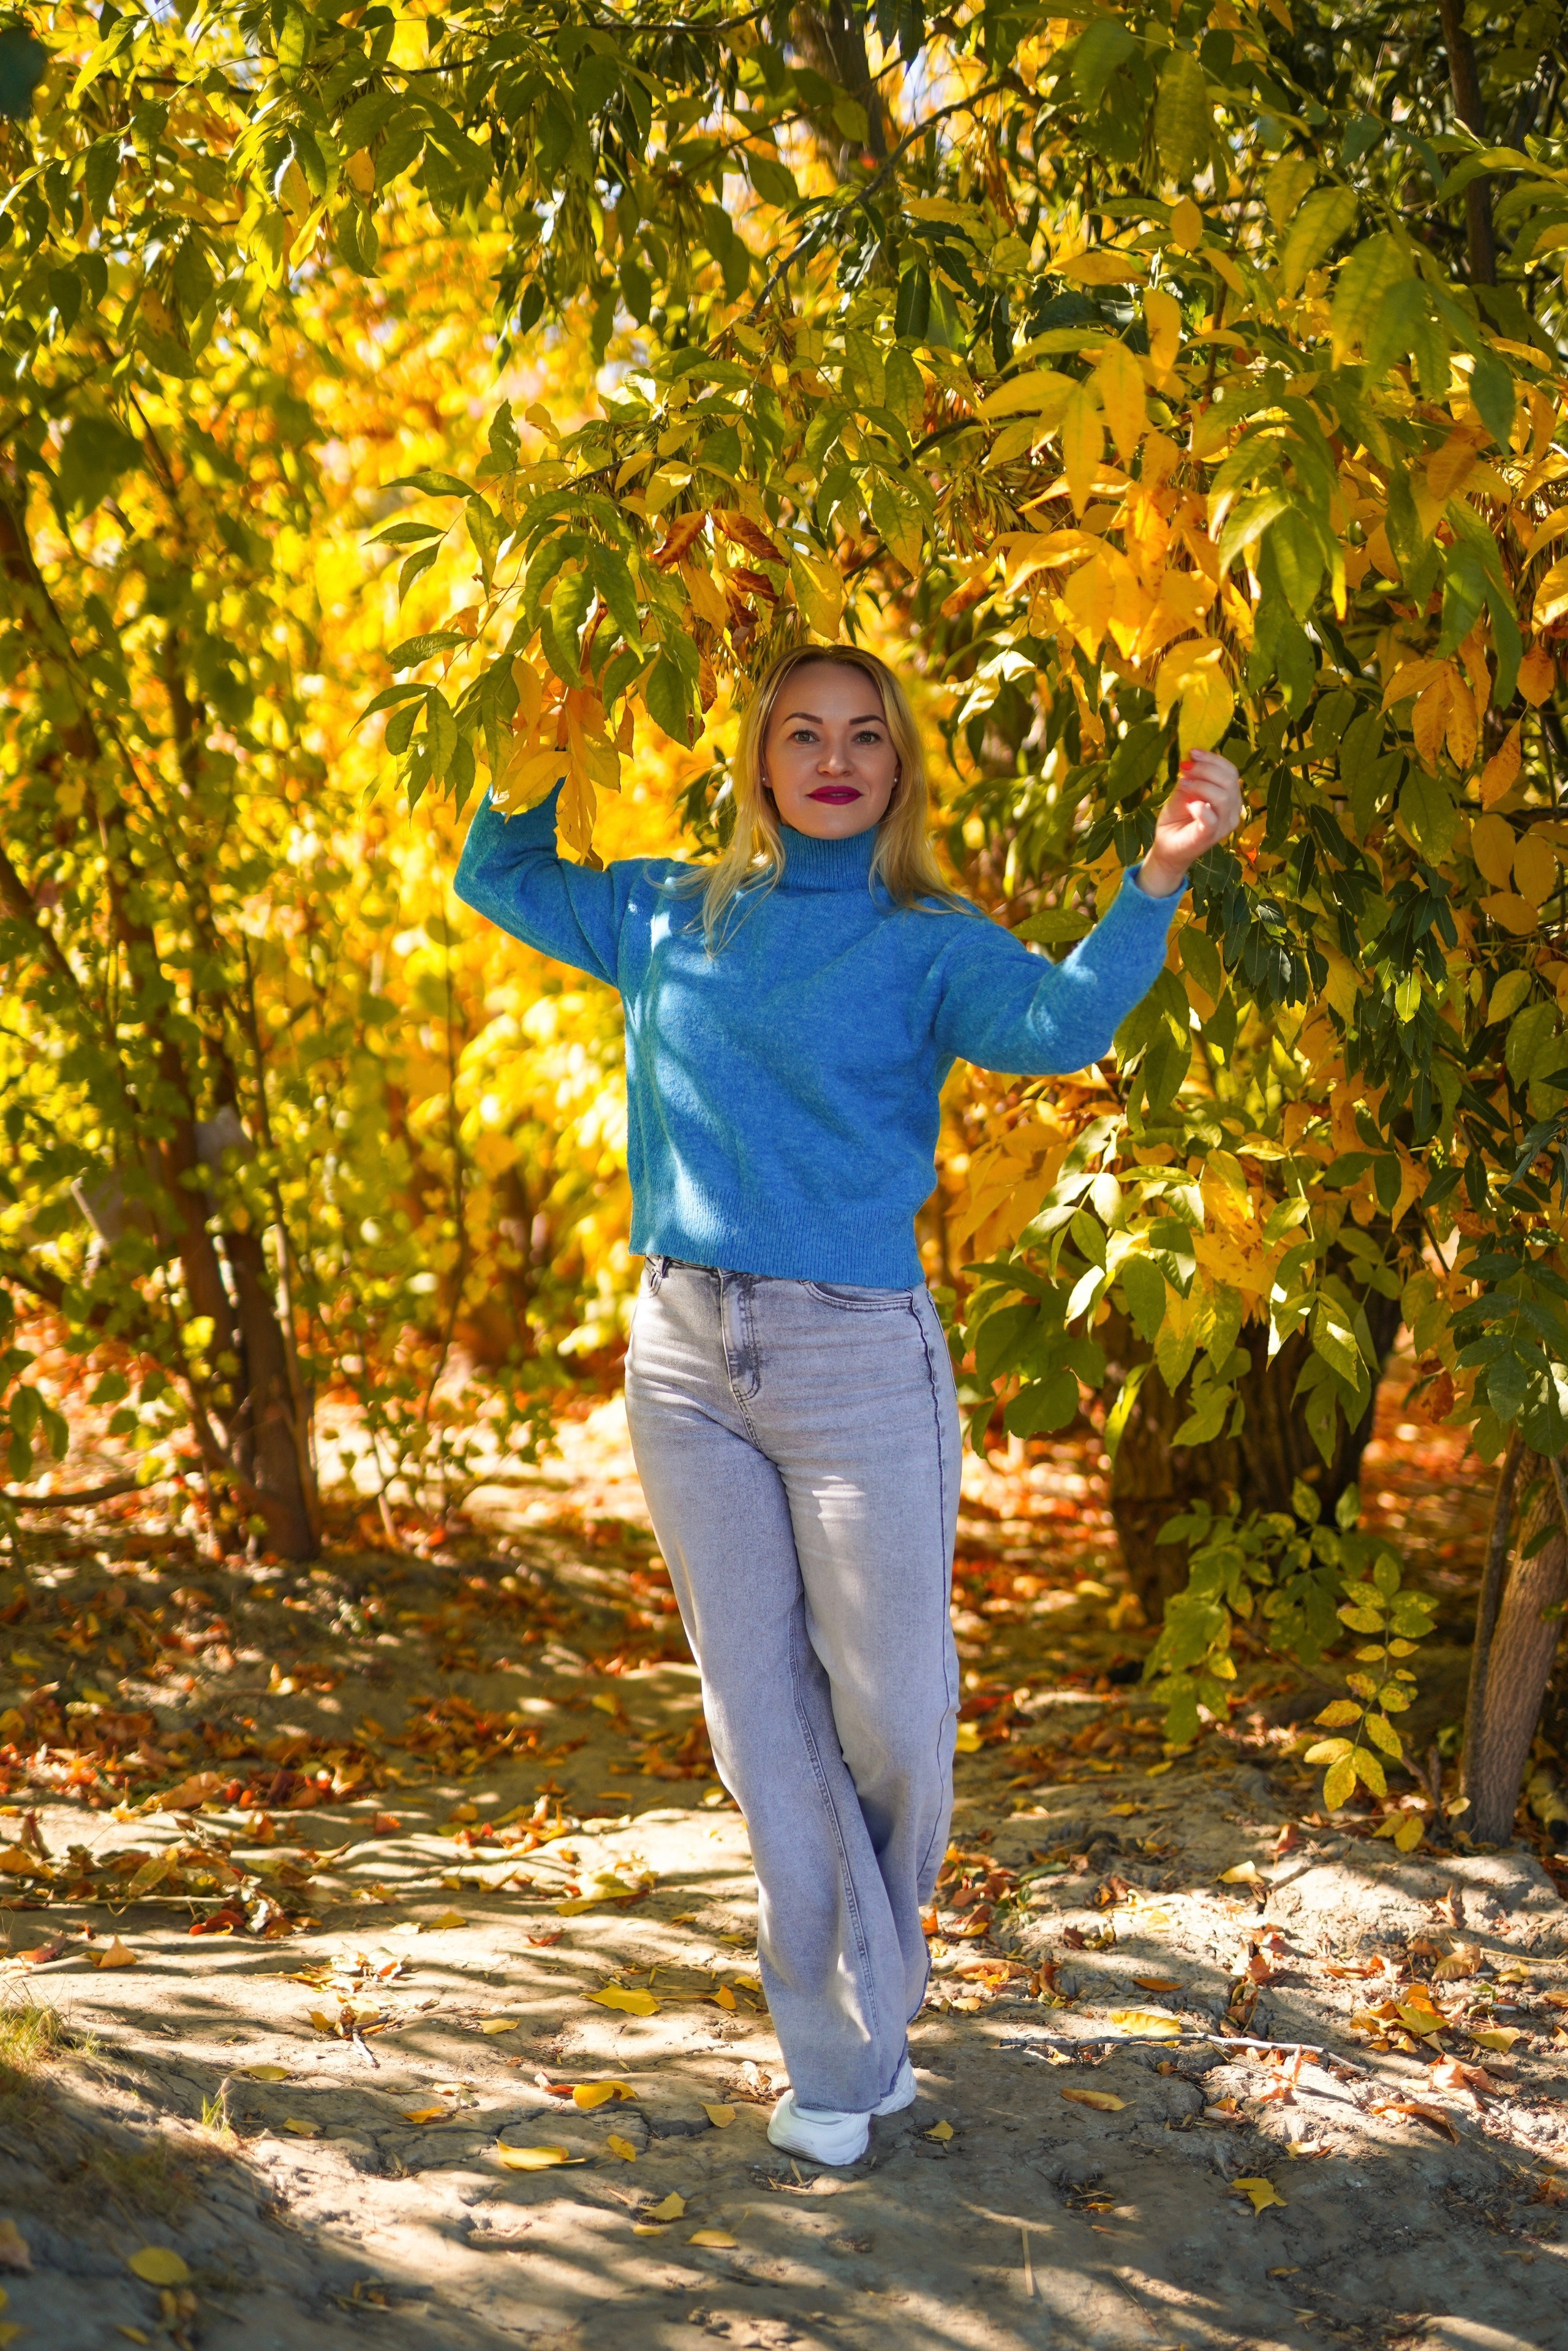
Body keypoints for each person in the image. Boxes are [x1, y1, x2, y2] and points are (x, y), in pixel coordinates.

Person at [454, 643, 1242, 2165]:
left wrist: (1154, 878)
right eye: (800, 734)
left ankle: (869, 1994)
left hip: (856, 1356)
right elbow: (499, 868)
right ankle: (839, 2055)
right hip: (683, 1355)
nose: (831, 758)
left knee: (887, 1712)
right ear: (755, 760)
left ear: (896, 768)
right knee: (758, 1718)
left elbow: (1060, 1024)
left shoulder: (921, 939)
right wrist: (543, 721)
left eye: (862, 737)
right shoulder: (663, 912)